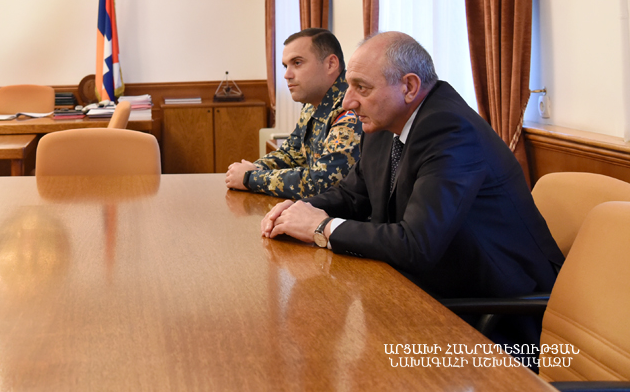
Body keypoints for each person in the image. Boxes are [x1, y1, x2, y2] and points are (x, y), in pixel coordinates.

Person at [261, 31, 563, 304]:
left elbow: (416, 244)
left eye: (361, 88)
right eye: (349, 86)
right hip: (425, 284)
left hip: (496, 304)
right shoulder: (383, 123)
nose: (347, 102)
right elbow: (353, 195)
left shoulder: (451, 132)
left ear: (409, 86)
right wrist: (296, 210)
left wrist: (320, 227)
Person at [224, 28, 362, 199]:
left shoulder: (351, 107)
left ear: (331, 64)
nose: (287, 75)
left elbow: (323, 182)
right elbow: (291, 154)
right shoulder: (313, 103)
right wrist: (254, 169)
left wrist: (250, 178)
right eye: (285, 66)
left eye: (297, 63)